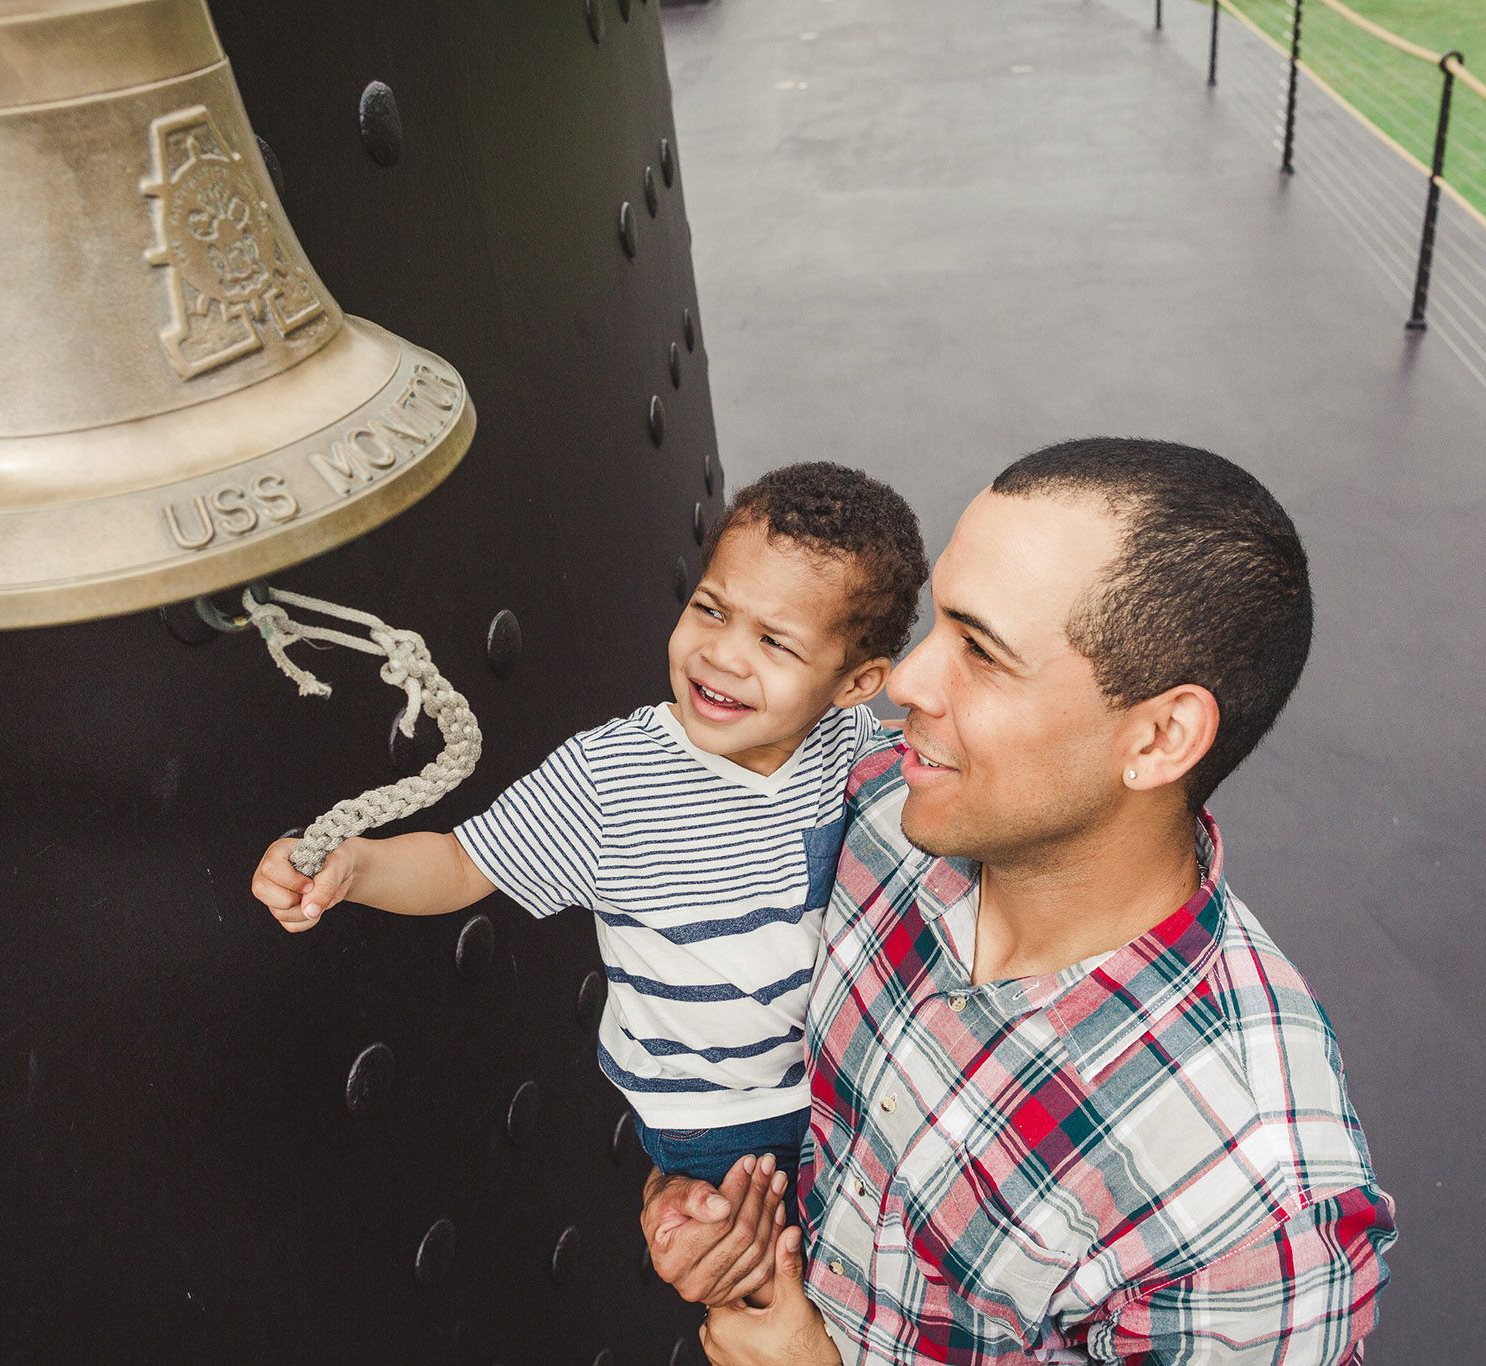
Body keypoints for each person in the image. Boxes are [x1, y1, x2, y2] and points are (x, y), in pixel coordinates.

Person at [645, 438, 1396, 1364]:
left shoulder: (1251, 1207)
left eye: (983, 652)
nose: (908, 682)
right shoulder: (869, 807)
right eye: (936, 625)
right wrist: (711, 1190)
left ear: (1160, 736)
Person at [250, 461, 930, 1209]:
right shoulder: (611, 777)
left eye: (776, 642)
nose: (722, 654)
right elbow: (460, 864)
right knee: (760, 1272)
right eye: (710, 609)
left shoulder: (854, 741)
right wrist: (355, 867)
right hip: (715, 1122)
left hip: (848, 1084)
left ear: (855, 683)